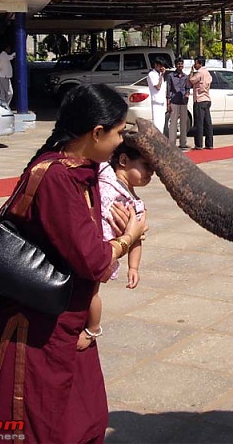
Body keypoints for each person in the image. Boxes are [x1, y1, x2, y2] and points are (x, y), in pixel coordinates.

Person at [0, 83, 146, 442]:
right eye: (117, 133)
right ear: (96, 133)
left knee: (85, 416)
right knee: (40, 423)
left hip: (68, 320)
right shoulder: (56, 177)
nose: (118, 143)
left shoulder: (82, 170)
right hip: (37, 326)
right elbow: (93, 261)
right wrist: (128, 237)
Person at [80, 142, 152, 351]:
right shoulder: (107, 176)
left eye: (152, 171)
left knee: (91, 293)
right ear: (123, 160)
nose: (150, 174)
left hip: (106, 253)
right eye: (145, 166)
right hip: (87, 242)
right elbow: (99, 153)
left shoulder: (137, 205)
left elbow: (136, 238)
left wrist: (133, 267)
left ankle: (92, 329)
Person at [166, 58, 191, 149]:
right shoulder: (171, 76)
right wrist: (168, 103)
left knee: (183, 122)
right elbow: (168, 89)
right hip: (174, 101)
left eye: (181, 64)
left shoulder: (186, 76)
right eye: (178, 64)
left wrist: (187, 94)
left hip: (183, 101)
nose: (180, 66)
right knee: (173, 123)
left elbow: (188, 88)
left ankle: (183, 143)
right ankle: (172, 143)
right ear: (175, 65)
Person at [189, 55, 213, 150]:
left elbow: (192, 80)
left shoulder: (199, 73)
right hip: (207, 99)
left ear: (200, 63)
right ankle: (209, 144)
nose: (194, 65)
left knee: (199, 123)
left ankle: (199, 144)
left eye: (196, 63)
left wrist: (191, 72)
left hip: (199, 100)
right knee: (208, 123)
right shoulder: (207, 73)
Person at [147, 58, 168, 132]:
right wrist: (162, 75)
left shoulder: (159, 75)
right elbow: (158, 87)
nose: (161, 67)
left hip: (162, 103)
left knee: (161, 125)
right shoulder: (151, 74)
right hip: (156, 103)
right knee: (157, 125)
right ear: (156, 65)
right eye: (159, 65)